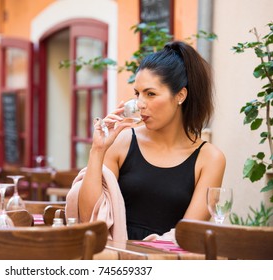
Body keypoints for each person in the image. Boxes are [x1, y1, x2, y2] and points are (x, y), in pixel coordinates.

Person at [66, 41, 226, 241]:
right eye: (137, 94)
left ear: (180, 95)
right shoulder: (123, 142)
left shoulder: (210, 158)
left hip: (168, 264)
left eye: (150, 94)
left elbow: (187, 235)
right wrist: (97, 150)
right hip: (114, 259)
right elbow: (90, 218)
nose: (139, 104)